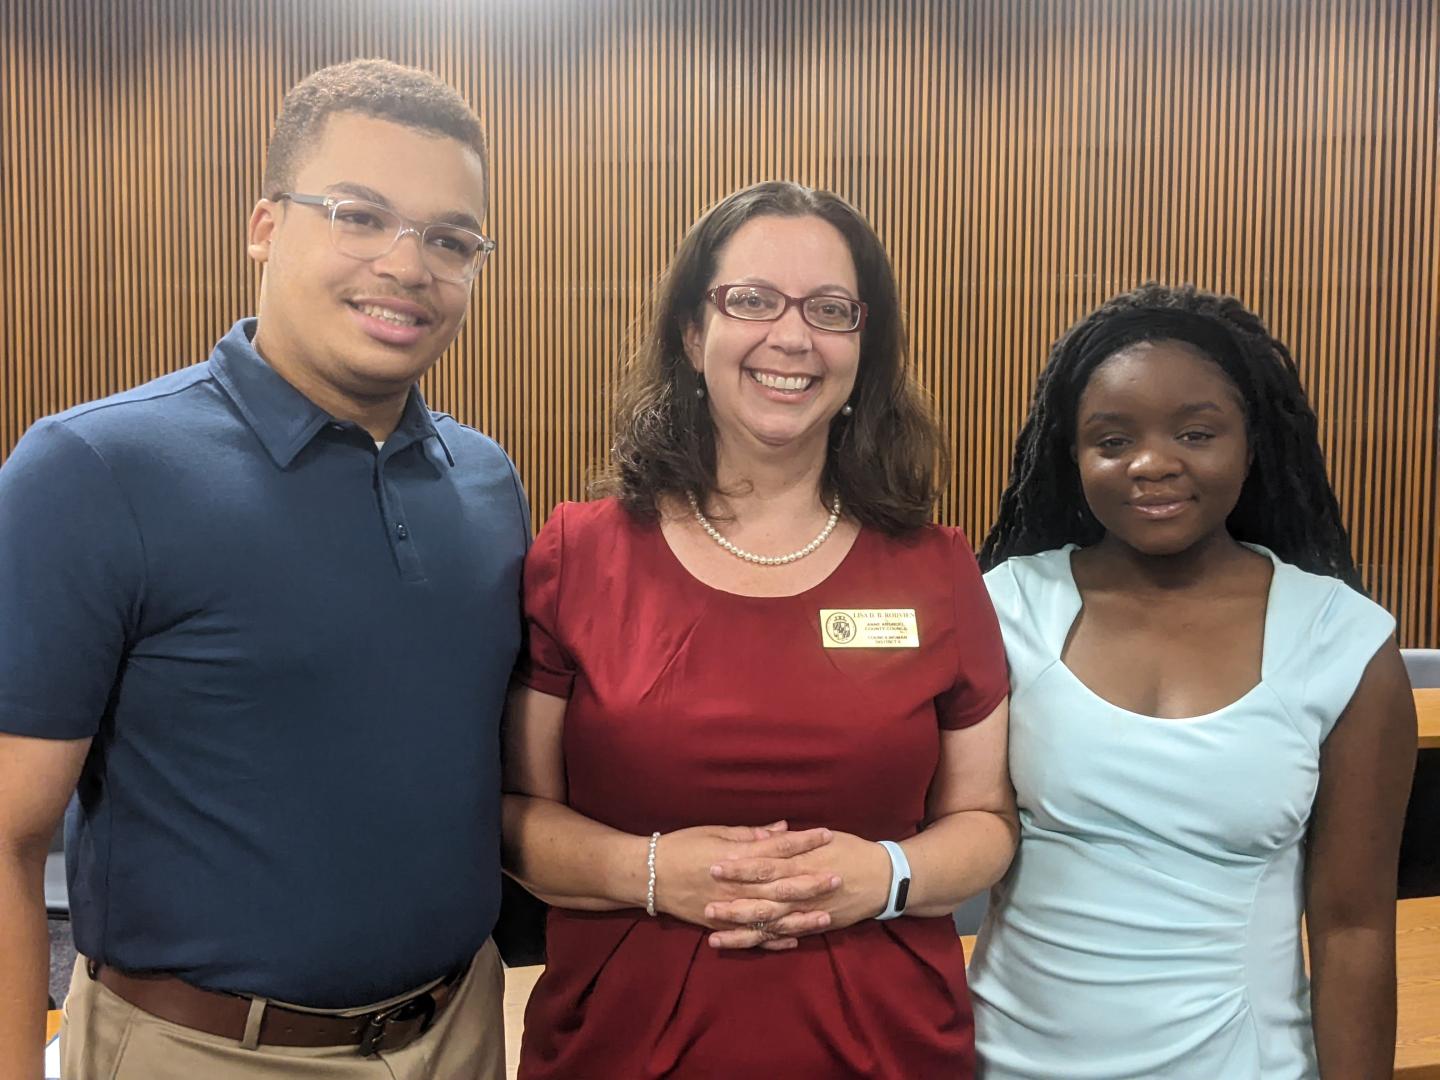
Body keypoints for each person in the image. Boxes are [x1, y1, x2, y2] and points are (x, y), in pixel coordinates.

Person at [0, 59, 527, 1079]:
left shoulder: (487, 483)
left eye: (451, 239)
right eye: (360, 215)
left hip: (461, 1030)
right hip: (204, 1051)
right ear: (265, 225)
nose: (408, 264)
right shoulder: (93, 471)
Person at [502, 180, 1015, 1078]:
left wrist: (884, 876)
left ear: (865, 348)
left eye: (830, 309)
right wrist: (656, 873)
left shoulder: (935, 568)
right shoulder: (580, 554)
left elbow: (983, 821)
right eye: (752, 300)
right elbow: (516, 823)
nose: (792, 337)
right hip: (619, 1049)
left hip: (887, 1050)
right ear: (694, 337)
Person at [968, 284, 1417, 1079]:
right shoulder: (1004, 607)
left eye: (1196, 432)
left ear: (1252, 444)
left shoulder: (1341, 640)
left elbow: (1354, 930)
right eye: (1111, 439)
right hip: (1003, 1063)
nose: (1152, 463)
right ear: (1071, 455)